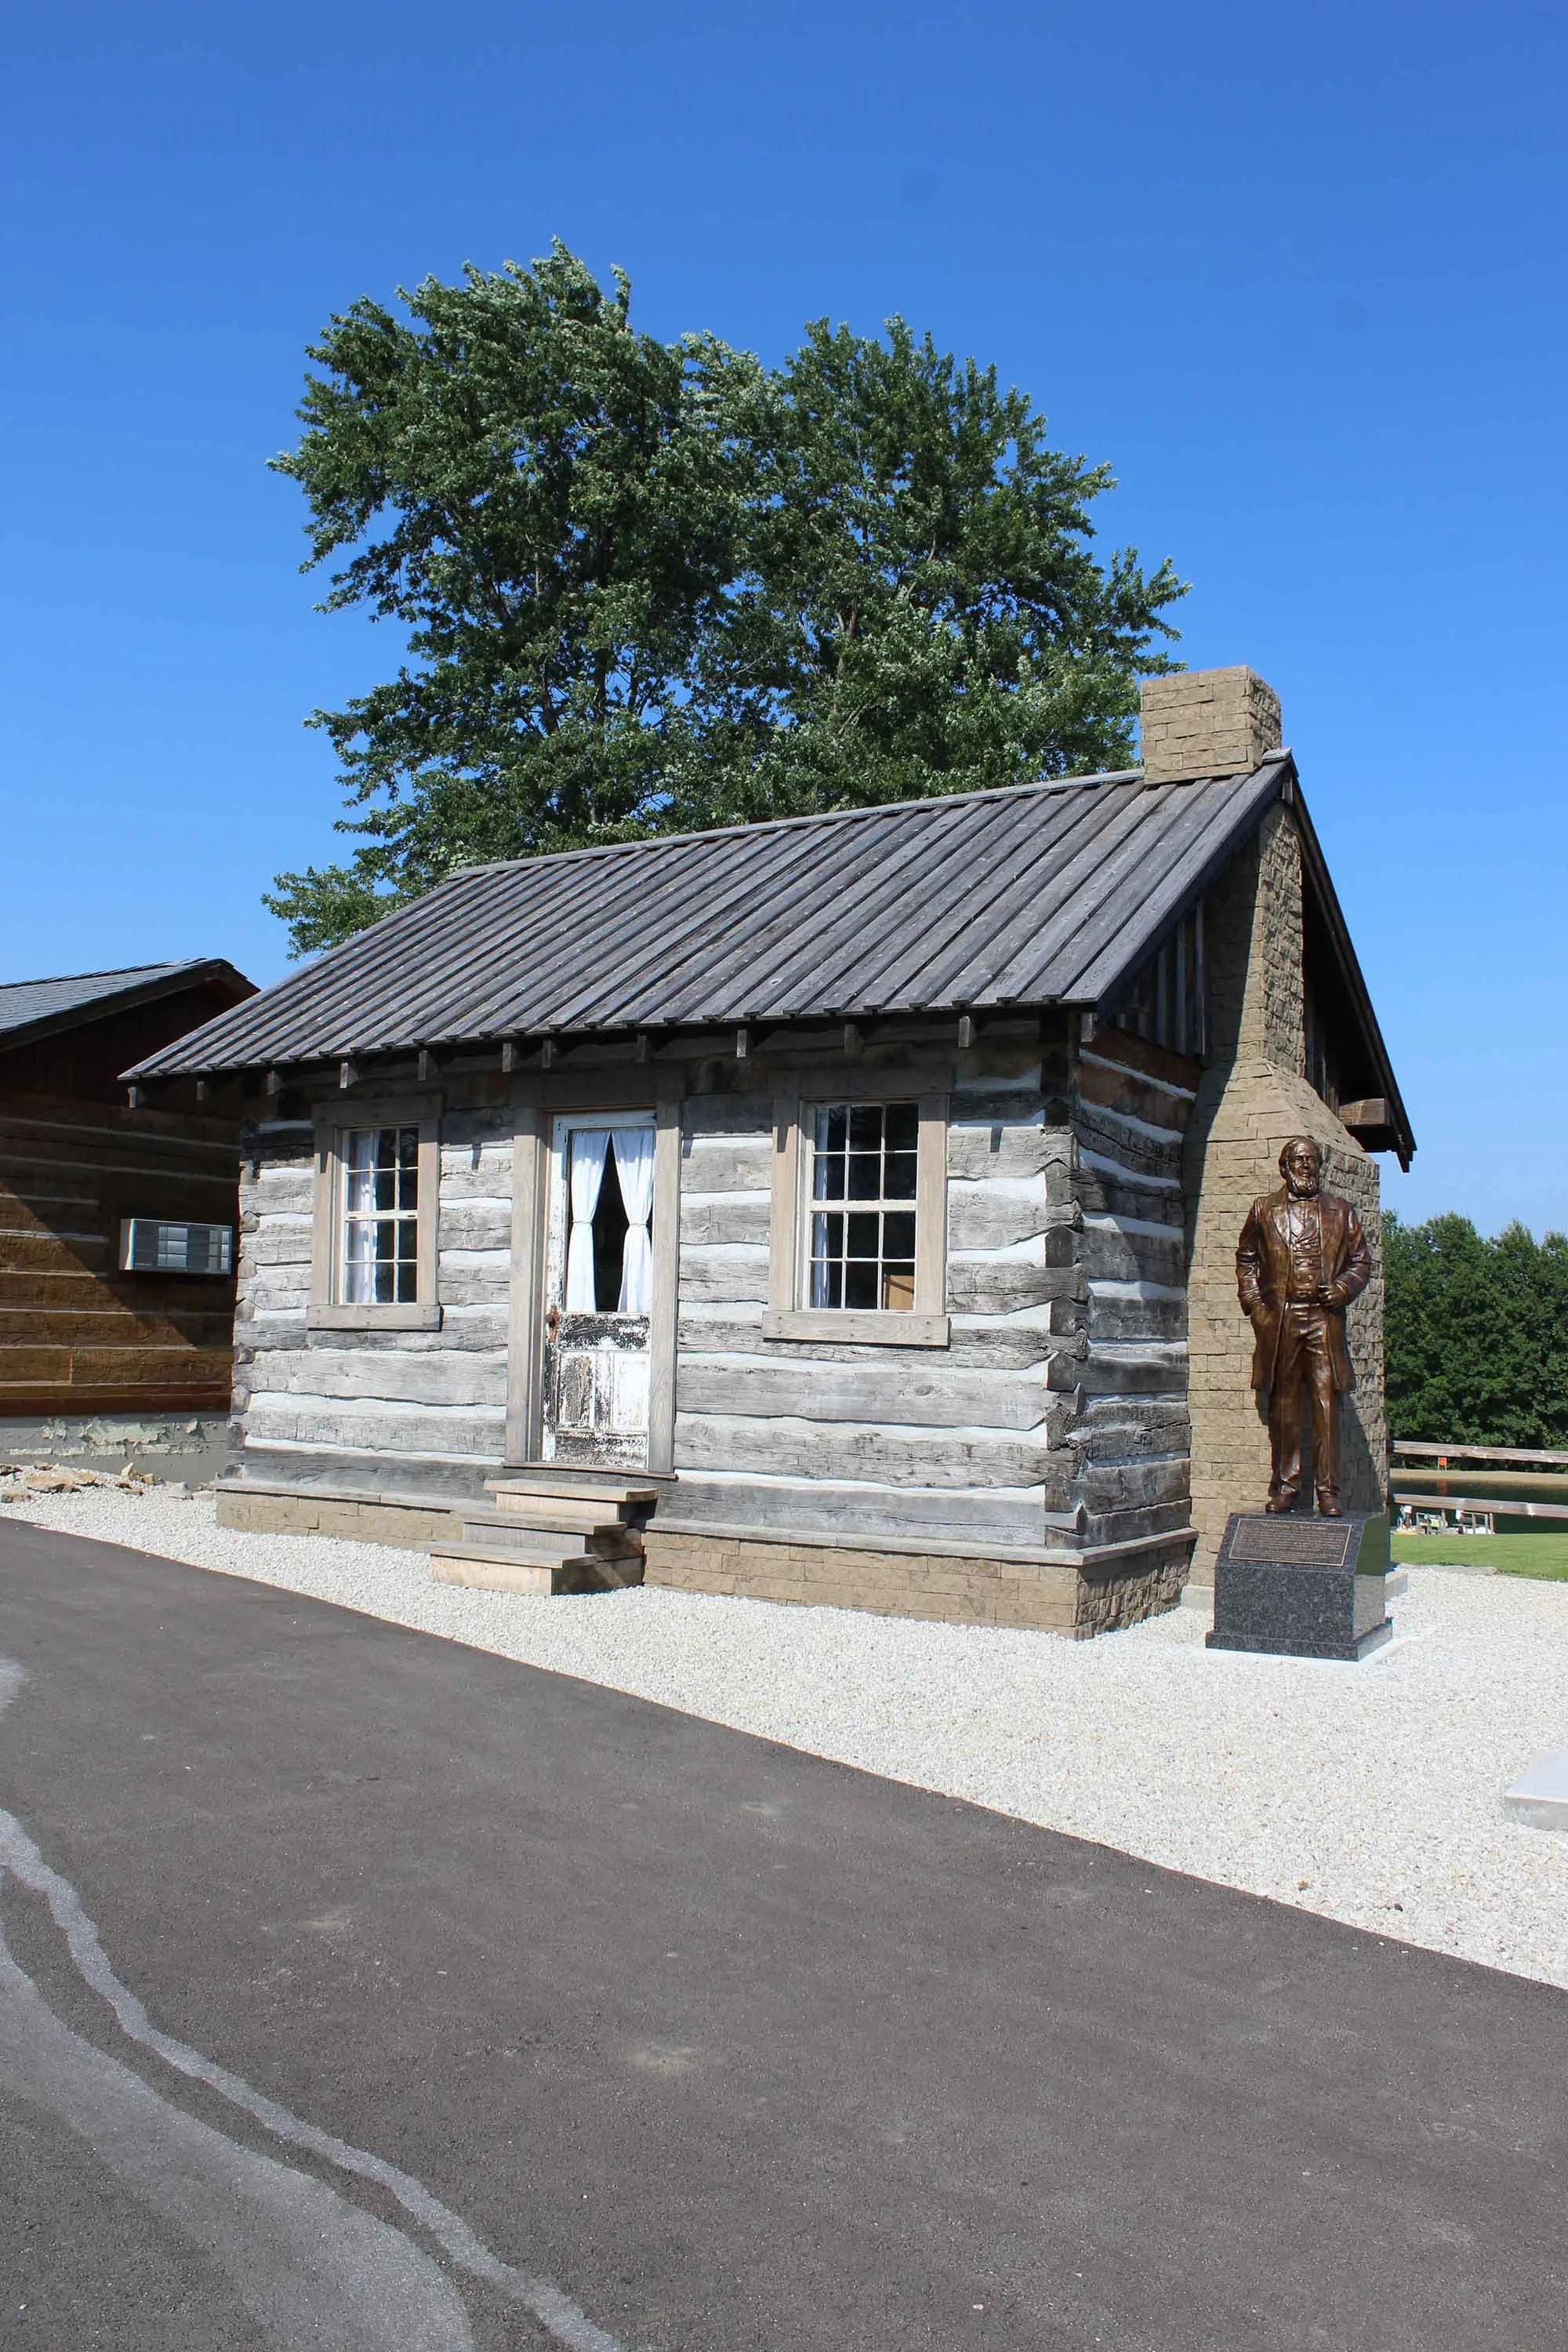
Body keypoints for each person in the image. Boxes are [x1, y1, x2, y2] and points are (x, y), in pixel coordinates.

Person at [1236, 1137, 1371, 1516]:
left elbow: (1361, 1262)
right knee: (1284, 1405)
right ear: (1285, 1167)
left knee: (1327, 1403)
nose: (1306, 1166)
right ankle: (1285, 1486)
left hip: (1323, 1320)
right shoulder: (1264, 1210)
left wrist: (1343, 1288)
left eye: (1312, 1160)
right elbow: (1246, 1259)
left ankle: (1329, 1491)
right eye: (1299, 1160)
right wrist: (1255, 1306)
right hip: (1281, 1320)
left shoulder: (1341, 1212)